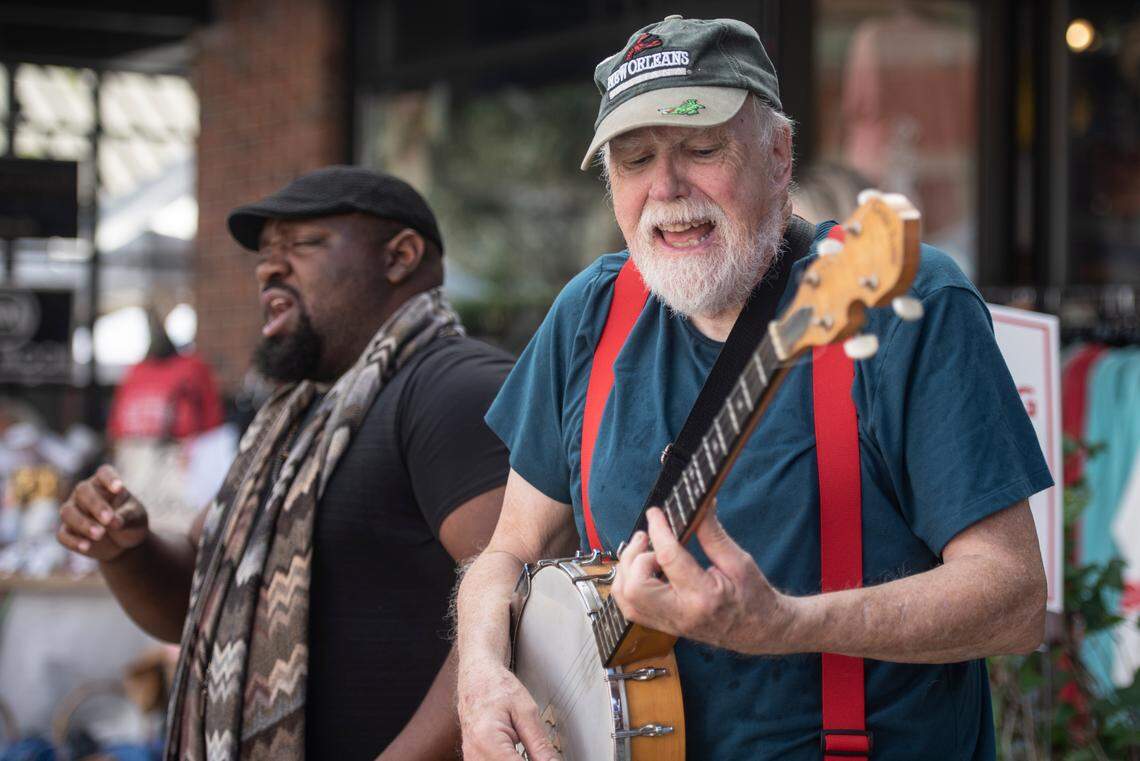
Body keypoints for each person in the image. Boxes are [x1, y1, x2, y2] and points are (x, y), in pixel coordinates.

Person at [455, 16, 1051, 761]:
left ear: (778, 155)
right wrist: (479, 675)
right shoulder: (590, 313)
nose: (667, 189)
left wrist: (792, 625)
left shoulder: (910, 301)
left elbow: (1014, 598)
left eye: (701, 149)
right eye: (634, 159)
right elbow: (507, 550)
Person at [56, 166, 514, 760]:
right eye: (265, 254)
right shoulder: (292, 419)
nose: (269, 268)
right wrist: (126, 549)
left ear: (399, 256)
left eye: (302, 245)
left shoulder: (451, 388)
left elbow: (522, 610)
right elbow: (190, 608)